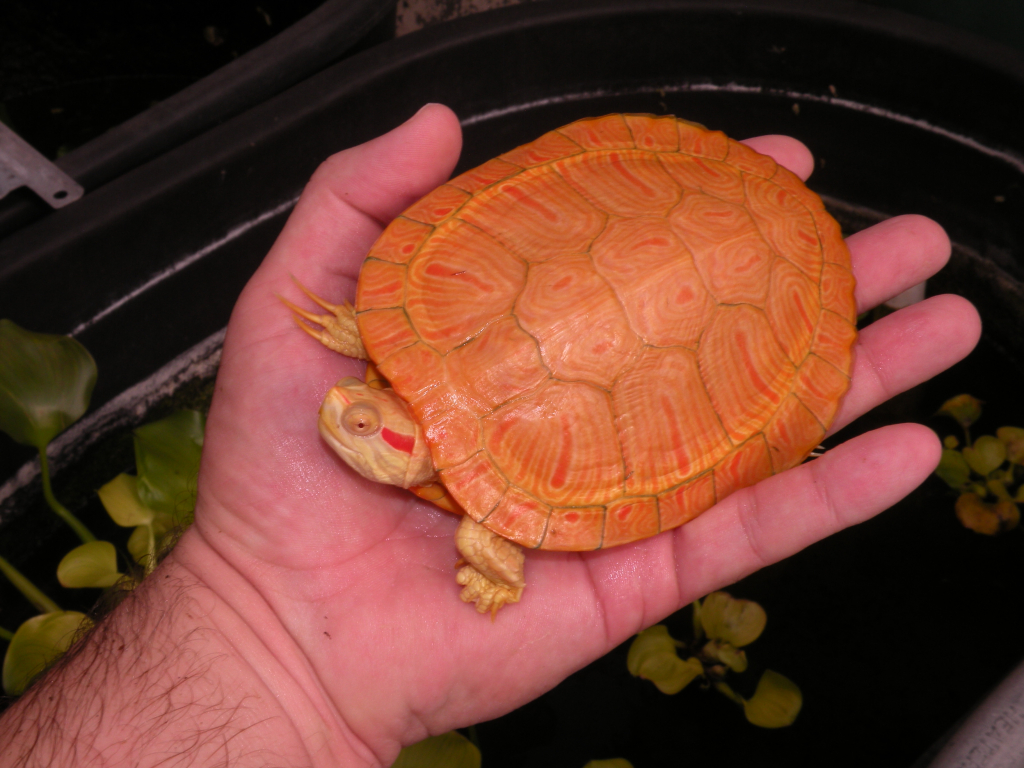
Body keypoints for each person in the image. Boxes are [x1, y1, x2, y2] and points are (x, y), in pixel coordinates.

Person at [0, 104, 980, 767]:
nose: (346, 411)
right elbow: (485, 524)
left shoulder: (439, 433)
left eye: (361, 415)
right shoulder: (445, 449)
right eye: (363, 419)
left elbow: (483, 518)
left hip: (667, 232)